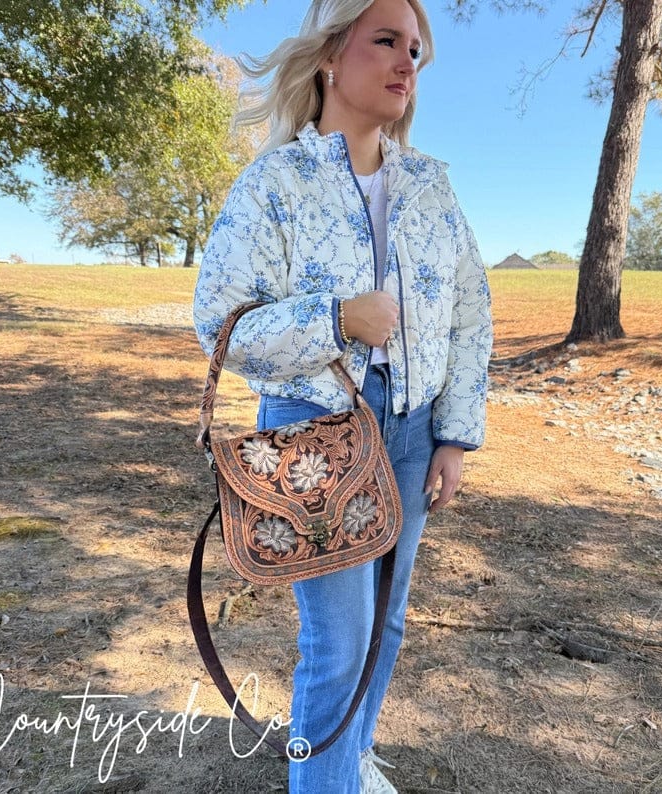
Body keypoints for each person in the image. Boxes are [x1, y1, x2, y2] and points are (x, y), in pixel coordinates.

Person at [193, 0, 492, 790]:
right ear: (330, 55)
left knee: (387, 623)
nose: (406, 63)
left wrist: (455, 435)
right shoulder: (277, 181)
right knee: (340, 642)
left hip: (414, 428)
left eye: (415, 50)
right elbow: (220, 321)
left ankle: (352, 761)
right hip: (312, 430)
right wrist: (336, 319)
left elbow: (471, 312)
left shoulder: (430, 186)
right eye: (386, 41)